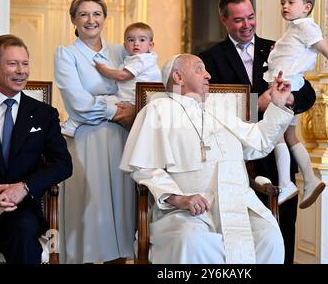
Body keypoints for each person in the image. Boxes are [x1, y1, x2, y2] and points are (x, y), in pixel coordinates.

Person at [119, 53, 294, 264]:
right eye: (199, 69)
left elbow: (259, 143)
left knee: (269, 237)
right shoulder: (157, 109)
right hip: (185, 208)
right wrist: (178, 198)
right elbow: (144, 168)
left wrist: (276, 105)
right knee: (192, 241)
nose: (208, 75)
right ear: (178, 77)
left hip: (236, 204)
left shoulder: (219, 110)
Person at [198, 0, 316, 264]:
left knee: (283, 232)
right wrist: (256, 106)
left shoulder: (281, 46)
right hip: (234, 160)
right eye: (239, 20)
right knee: (241, 238)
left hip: (278, 162)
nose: (247, 25)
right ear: (224, 20)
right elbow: (209, 109)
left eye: (251, 17)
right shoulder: (209, 58)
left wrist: (286, 99)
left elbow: (307, 94)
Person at [54, 0, 136, 263]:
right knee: (90, 213)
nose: (91, 20)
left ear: (105, 18)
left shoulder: (121, 52)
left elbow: (141, 85)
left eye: (97, 14)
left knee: (121, 214)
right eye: (84, 14)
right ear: (73, 20)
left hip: (122, 141)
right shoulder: (66, 55)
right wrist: (116, 110)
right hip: (86, 143)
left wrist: (134, 110)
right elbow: (78, 104)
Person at [0, 34, 72, 263]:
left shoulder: (44, 114)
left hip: (21, 209)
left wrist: (24, 187)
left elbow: (62, 163)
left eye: (25, 63)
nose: (21, 71)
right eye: (12, 63)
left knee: (23, 238)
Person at [264, 0, 328, 209]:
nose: (285, 6)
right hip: (288, 83)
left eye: (291, 2)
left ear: (306, 7)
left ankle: (285, 183)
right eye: (282, 2)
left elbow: (327, 51)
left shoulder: (306, 27)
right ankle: (310, 180)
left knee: (276, 134)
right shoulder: (294, 29)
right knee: (290, 135)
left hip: (287, 86)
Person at [61, 22, 161, 137]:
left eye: (142, 40)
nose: (136, 44)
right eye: (131, 40)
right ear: (124, 45)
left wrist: (103, 70)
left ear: (151, 45)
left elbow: (123, 75)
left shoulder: (142, 60)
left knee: (98, 103)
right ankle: (74, 124)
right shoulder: (138, 59)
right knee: (101, 103)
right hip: (131, 99)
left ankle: (72, 125)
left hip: (132, 100)